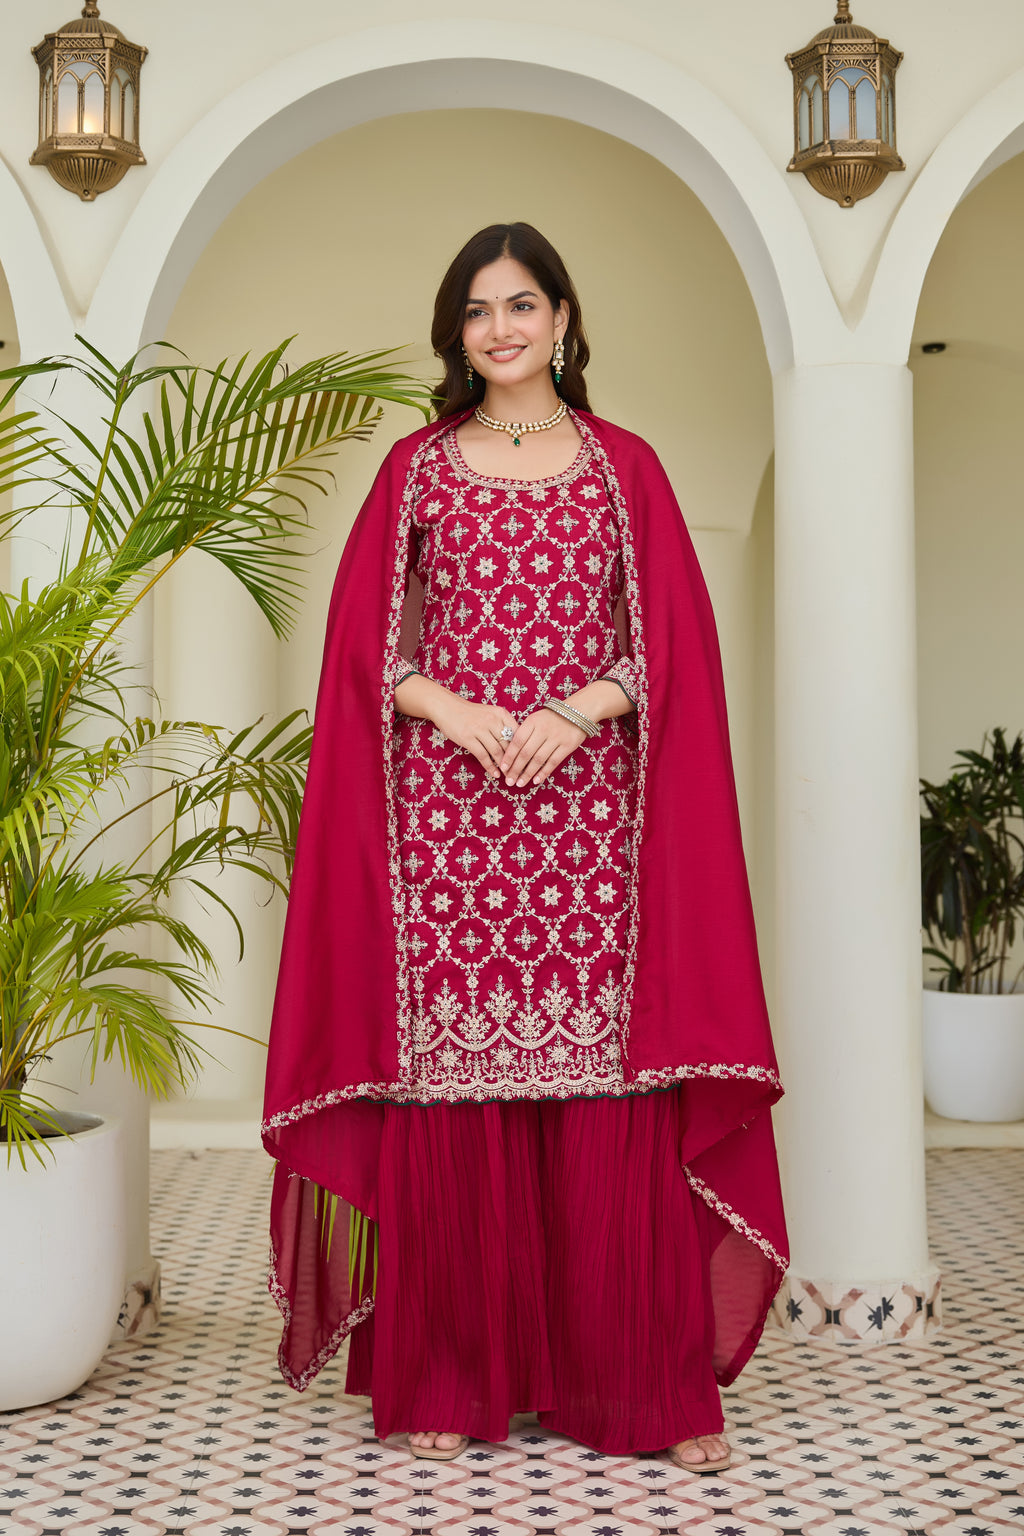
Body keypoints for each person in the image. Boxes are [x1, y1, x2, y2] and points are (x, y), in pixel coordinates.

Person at [261, 222, 788, 1472]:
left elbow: (669, 645)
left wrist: (569, 714)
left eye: (521, 305)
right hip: (445, 825)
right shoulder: (417, 471)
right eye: (476, 312)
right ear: (456, 334)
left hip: (593, 821)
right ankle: (449, 1374)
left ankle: (641, 1391)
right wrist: (457, 710)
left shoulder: (626, 469)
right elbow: (361, 654)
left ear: (562, 317)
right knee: (458, 1089)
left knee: (602, 1086)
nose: (499, 328)